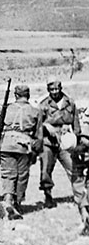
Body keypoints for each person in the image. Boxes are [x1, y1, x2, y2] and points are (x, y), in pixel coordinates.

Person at [0, 85, 43, 220]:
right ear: (28, 95)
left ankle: (8, 199)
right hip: (24, 145)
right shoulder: (35, 111)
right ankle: (17, 203)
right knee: (22, 175)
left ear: (15, 95)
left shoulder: (7, 108)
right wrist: (36, 151)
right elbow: (39, 135)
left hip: (6, 144)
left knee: (8, 174)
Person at [38, 79, 84, 209]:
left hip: (66, 141)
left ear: (60, 88)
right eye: (51, 89)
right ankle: (48, 196)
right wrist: (47, 126)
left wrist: (77, 139)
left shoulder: (70, 102)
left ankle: (80, 197)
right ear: (48, 90)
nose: (54, 92)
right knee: (45, 170)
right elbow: (37, 125)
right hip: (48, 142)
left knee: (74, 168)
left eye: (56, 89)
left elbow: (76, 123)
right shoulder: (43, 105)